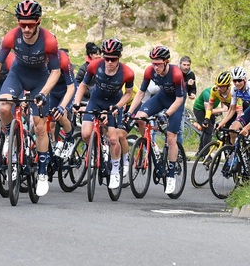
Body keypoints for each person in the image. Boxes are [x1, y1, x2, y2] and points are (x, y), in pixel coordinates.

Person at [0, 0, 60, 197]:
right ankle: (11, 135)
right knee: (3, 108)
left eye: (30, 24)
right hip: (17, 74)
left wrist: (44, 93)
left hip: (40, 79)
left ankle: (42, 172)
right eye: (22, 24)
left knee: (39, 125)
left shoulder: (49, 40)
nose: (26, 29)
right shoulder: (11, 36)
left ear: (38, 21)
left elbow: (55, 72)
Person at [73, 38, 135, 189]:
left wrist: (117, 107)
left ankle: (115, 170)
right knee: (86, 134)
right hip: (96, 101)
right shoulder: (94, 65)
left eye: (113, 59)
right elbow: (83, 84)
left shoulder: (127, 72)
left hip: (114, 104)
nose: (109, 62)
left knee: (114, 139)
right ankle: (96, 151)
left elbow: (128, 94)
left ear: (119, 57)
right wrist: (76, 102)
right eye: (106, 58)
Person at [126, 46, 185, 195]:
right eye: (153, 63)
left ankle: (171, 174)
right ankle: (149, 145)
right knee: (139, 118)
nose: (155, 66)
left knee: (171, 138)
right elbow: (140, 93)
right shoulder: (149, 71)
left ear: (166, 62)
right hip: (161, 98)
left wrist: (166, 115)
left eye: (158, 63)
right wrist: (129, 112)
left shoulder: (176, 74)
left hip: (175, 103)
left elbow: (179, 100)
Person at [49, 48, 77, 159]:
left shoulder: (64, 61)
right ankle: (53, 144)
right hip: (53, 91)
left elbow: (71, 87)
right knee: (49, 120)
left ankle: (70, 139)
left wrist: (62, 106)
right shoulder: (41, 61)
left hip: (67, 90)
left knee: (61, 114)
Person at [216, 67, 250, 143]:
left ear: (245, 79)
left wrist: (247, 128)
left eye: (239, 80)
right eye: (235, 81)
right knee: (232, 130)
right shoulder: (234, 90)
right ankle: (235, 153)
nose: (237, 83)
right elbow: (232, 109)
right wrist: (222, 123)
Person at [193, 85, 228, 154]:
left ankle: (200, 152)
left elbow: (223, 104)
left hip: (210, 109)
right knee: (208, 130)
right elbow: (208, 110)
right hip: (200, 110)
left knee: (208, 130)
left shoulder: (222, 91)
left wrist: (224, 117)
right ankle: (205, 154)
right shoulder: (207, 94)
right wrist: (221, 109)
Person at [201, 71, 233, 146]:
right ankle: (230, 153)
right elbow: (210, 106)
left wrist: (222, 122)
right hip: (230, 110)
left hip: (239, 109)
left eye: (221, 86)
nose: (218, 88)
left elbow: (233, 110)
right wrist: (207, 118)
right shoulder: (214, 90)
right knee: (226, 135)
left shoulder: (233, 92)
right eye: (217, 85)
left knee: (233, 131)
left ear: (228, 86)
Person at [177, 55, 197, 145]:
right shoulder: (175, 72)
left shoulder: (191, 74)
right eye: (184, 65)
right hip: (170, 102)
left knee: (180, 130)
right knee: (170, 130)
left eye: (188, 65)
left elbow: (192, 87)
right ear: (180, 64)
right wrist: (186, 84)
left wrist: (192, 93)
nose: (186, 67)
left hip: (181, 103)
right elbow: (175, 87)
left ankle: (179, 153)